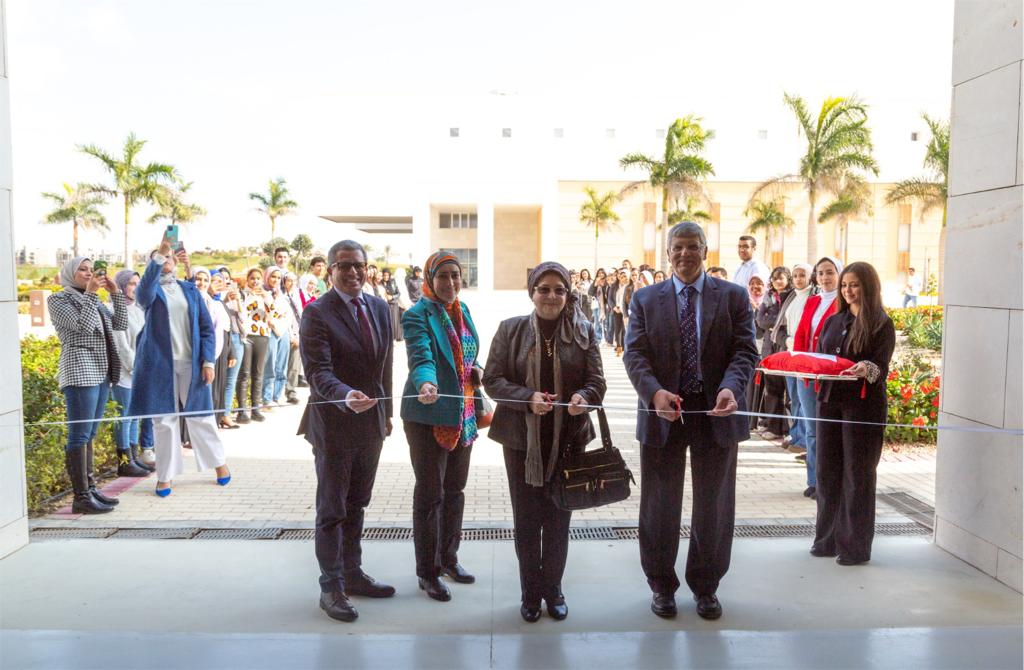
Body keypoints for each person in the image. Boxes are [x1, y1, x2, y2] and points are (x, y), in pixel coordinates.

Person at [623, 221, 758, 622]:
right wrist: (654, 394)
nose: (685, 254)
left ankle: (706, 585)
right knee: (659, 504)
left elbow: (745, 351)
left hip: (716, 412)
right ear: (668, 253)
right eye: (678, 247)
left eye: (693, 246)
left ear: (705, 250)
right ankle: (661, 586)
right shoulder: (645, 299)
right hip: (664, 412)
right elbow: (635, 354)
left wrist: (731, 388)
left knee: (714, 505)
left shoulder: (733, 297)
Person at [483, 262, 606, 623]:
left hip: (568, 442)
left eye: (559, 290)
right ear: (532, 293)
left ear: (568, 294)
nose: (551, 296)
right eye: (544, 289)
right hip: (521, 443)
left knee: (558, 520)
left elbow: (597, 381)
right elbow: (492, 380)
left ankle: (553, 590)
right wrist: (527, 398)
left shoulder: (584, 331)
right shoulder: (511, 330)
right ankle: (530, 592)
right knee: (526, 521)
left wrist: (584, 397)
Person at [298, 239, 396, 623]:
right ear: (330, 271)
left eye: (359, 265)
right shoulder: (316, 313)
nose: (354, 272)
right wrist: (344, 395)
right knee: (332, 509)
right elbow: (317, 372)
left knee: (357, 503)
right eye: (344, 266)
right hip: (335, 425)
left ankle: (353, 573)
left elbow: (384, 367)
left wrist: (386, 413)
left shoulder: (379, 307)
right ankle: (332, 586)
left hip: (371, 425)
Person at [401, 251, 482, 602]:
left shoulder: (462, 310)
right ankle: (428, 572)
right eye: (443, 276)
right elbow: (421, 356)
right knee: (430, 494)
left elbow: (468, 353)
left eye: (455, 275)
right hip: (428, 414)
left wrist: (477, 369)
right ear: (429, 280)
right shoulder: (416, 314)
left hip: (463, 413)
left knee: (455, 490)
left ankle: (449, 559)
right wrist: (426, 383)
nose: (450, 282)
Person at [129, 233, 231, 497]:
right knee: (164, 422)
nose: (167, 260)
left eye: (170, 257)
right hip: (158, 365)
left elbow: (206, 328)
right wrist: (161, 251)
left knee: (201, 416)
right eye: (161, 257)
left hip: (191, 363)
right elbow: (142, 295)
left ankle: (219, 463)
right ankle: (165, 475)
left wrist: (208, 361)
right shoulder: (150, 290)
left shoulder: (189, 290)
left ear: (176, 261)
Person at [811, 262, 895, 565]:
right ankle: (827, 541)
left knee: (857, 475)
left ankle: (854, 548)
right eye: (845, 285)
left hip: (862, 408)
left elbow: (881, 367)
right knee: (827, 471)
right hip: (829, 403)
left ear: (868, 287)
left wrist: (865, 368)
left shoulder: (881, 323)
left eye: (854, 284)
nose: (848, 290)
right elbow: (822, 358)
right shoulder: (834, 321)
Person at [48, 256, 129, 513]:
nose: (89, 273)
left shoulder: (92, 299)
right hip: (80, 372)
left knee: (90, 434)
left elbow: (120, 324)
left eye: (92, 270)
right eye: (82, 269)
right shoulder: (59, 299)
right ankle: (81, 497)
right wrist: (92, 294)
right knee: (79, 434)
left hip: (102, 371)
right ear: (70, 273)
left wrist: (115, 293)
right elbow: (83, 327)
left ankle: (91, 489)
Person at [791, 257, 844, 499]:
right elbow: (802, 333)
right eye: (821, 273)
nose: (825, 277)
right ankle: (814, 480)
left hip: (829, 375)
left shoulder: (842, 302)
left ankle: (829, 482)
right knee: (812, 429)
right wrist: (799, 364)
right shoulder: (812, 301)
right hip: (807, 374)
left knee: (827, 430)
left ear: (839, 274)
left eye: (830, 272)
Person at [110, 269, 155, 476]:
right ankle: (124, 462)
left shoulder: (139, 309)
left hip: (140, 371)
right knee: (124, 417)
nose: (135, 288)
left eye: (138, 283)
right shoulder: (115, 310)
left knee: (135, 415)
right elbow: (121, 345)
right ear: (120, 285)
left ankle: (134, 458)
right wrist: (134, 367)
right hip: (125, 372)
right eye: (131, 284)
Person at [753, 267, 794, 437]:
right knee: (771, 388)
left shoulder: (792, 296)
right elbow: (760, 320)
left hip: (784, 346)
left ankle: (788, 429)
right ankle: (773, 427)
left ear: (788, 279)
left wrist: (773, 322)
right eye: (775, 278)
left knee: (788, 390)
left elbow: (786, 320)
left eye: (781, 278)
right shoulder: (769, 296)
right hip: (769, 347)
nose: (777, 281)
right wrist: (776, 322)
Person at [778, 263, 814, 452]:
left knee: (803, 399)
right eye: (795, 275)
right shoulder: (792, 296)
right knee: (793, 397)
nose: (798, 279)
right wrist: (786, 340)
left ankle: (803, 440)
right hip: (790, 351)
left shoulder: (814, 297)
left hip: (804, 353)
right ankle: (796, 435)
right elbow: (781, 325)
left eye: (802, 275)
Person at [191, 268, 234, 427]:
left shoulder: (216, 302)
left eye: (206, 280)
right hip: (196, 353)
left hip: (215, 352)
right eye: (198, 279)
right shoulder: (192, 300)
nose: (202, 283)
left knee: (215, 390)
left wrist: (227, 352)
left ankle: (213, 422)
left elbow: (225, 329)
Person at [238, 267, 273, 422]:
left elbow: (273, 313)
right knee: (244, 373)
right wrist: (250, 296)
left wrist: (265, 297)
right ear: (248, 280)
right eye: (252, 278)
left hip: (262, 335)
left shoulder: (266, 295)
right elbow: (241, 312)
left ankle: (255, 409)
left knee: (258, 374)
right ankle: (241, 411)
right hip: (246, 336)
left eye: (258, 278)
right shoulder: (242, 294)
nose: (255, 281)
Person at [260, 266, 291, 408]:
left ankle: (277, 395)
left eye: (279, 278)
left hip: (283, 331)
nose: (276, 280)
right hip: (269, 331)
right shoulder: (261, 292)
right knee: (270, 365)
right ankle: (266, 398)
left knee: (281, 365)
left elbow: (286, 314)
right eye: (273, 277)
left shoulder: (281, 294)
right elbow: (268, 313)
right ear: (267, 277)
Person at [219, 272, 246, 428]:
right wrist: (224, 301)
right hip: (221, 339)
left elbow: (244, 318)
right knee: (218, 379)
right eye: (221, 279)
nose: (225, 283)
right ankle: (216, 414)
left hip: (236, 337)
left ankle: (226, 414)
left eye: (227, 279)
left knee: (231, 379)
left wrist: (237, 301)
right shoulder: (214, 298)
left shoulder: (237, 296)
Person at [282, 272, 303, 405]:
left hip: (298, 333)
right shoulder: (281, 296)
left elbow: (300, 316)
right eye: (289, 280)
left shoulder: (296, 297)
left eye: (294, 281)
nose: (292, 283)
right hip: (285, 334)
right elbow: (284, 319)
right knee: (281, 366)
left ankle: (291, 392)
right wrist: (291, 336)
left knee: (294, 366)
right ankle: (277, 394)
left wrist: (299, 335)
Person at [610, 267, 632, 356]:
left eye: (625, 276)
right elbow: (610, 298)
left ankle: (626, 346)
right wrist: (614, 307)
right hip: (617, 309)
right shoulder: (614, 286)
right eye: (621, 276)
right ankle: (619, 347)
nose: (623, 278)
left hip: (627, 310)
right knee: (618, 328)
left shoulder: (630, 286)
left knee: (626, 328)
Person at [381, 269, 404, 342]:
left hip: (393, 304)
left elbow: (398, 293)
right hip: (385, 305)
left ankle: (394, 338)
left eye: (387, 275)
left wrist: (392, 297)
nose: (386, 277)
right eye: (384, 275)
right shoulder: (381, 283)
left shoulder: (392, 282)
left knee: (394, 322)